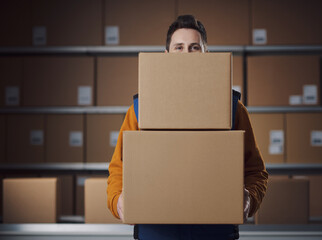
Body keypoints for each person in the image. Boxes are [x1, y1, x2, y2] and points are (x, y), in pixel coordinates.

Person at [107, 15, 268, 240]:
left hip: (215, 233)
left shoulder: (232, 109)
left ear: (206, 54)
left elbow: (255, 171)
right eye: (179, 48)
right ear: (166, 56)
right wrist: (118, 200)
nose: (187, 55)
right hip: (157, 233)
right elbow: (118, 169)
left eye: (195, 47)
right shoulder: (140, 109)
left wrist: (249, 199)